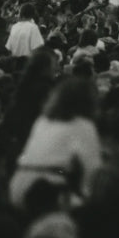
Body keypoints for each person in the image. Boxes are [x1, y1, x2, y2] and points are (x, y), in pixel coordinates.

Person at [8, 79, 103, 210]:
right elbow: (92, 170)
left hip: (17, 186)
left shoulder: (42, 121)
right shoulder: (83, 126)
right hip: (50, 192)